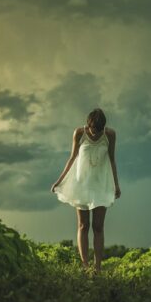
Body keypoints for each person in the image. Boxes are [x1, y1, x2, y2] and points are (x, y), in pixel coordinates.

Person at [51, 108, 121, 275]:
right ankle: (85, 266)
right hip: (81, 185)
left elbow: (112, 159)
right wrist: (59, 181)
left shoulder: (109, 135)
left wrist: (116, 185)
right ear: (88, 124)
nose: (95, 132)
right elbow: (72, 157)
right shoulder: (79, 133)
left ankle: (97, 267)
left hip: (101, 185)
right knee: (83, 225)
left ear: (103, 127)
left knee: (98, 226)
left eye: (98, 129)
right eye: (92, 128)